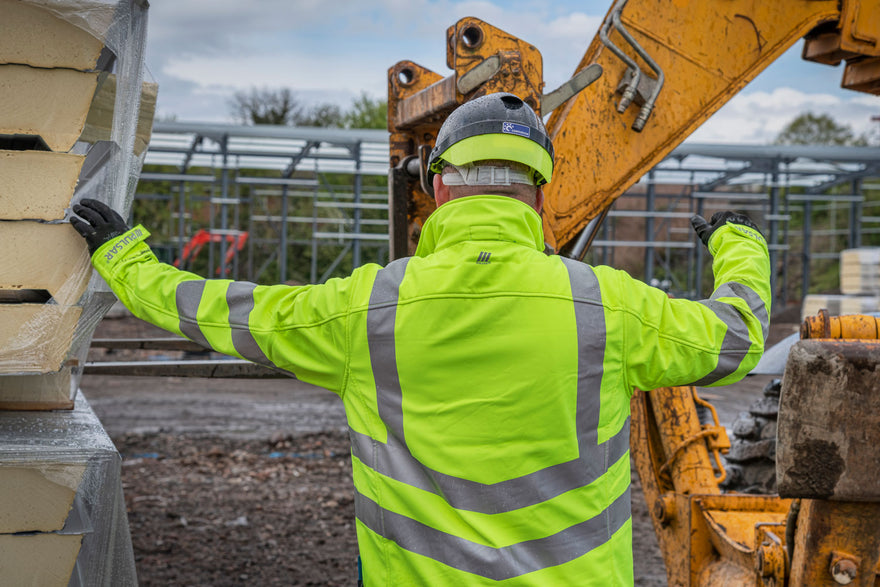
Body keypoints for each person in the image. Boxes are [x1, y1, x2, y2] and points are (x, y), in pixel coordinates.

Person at [71, 92, 770, 586]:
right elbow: (738, 335)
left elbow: (221, 311)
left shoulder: (371, 306)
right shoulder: (609, 306)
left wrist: (126, 259)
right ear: (538, 193)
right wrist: (737, 243)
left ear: (438, 189)